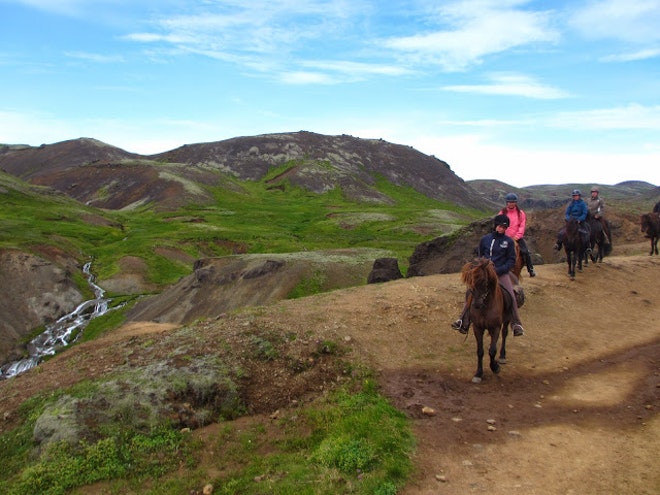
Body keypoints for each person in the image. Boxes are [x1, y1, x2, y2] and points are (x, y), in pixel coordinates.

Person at [451, 214, 526, 337]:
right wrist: (480, 269)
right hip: (485, 273)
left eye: (504, 227)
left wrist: (500, 270)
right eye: (500, 226)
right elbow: (480, 255)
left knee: (511, 294)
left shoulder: (508, 242)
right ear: (495, 226)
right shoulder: (485, 239)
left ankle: (516, 324)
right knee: (471, 291)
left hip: (501, 273)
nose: (501, 229)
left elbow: (511, 260)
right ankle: (462, 319)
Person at [498, 192, 536, 277]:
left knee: (525, 251)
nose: (511, 203)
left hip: (517, 237)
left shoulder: (521, 213)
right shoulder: (502, 213)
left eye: (513, 202)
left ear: (516, 203)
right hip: (504, 237)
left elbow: (522, 226)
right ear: (506, 202)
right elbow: (498, 224)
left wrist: (517, 236)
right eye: (509, 202)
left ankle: (531, 269)